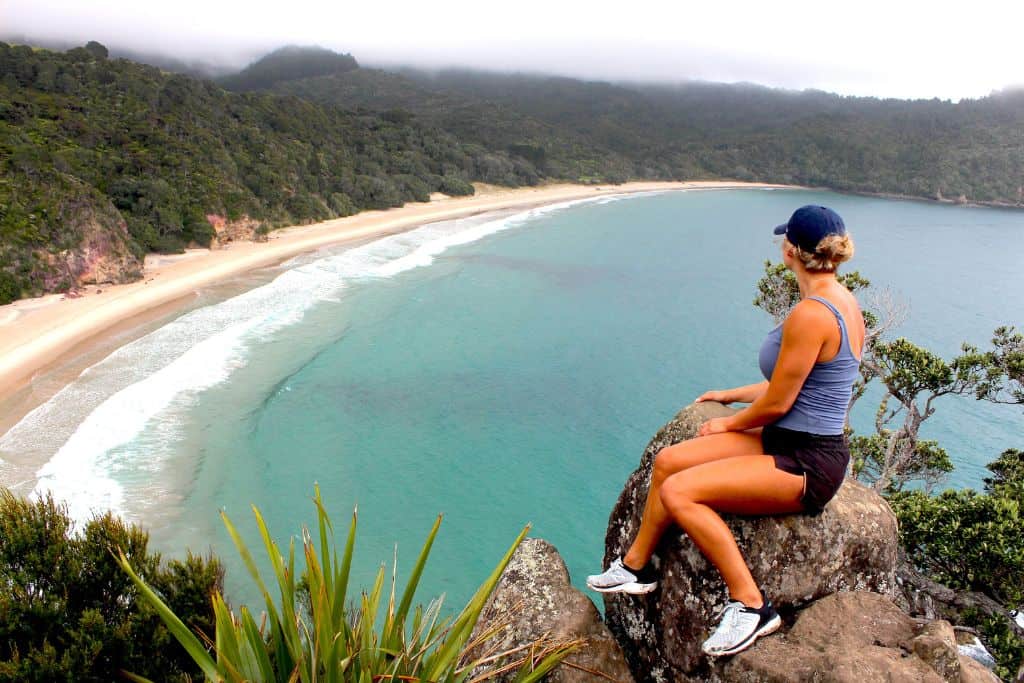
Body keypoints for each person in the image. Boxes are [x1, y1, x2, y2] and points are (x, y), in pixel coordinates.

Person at [586, 205, 864, 657]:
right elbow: (792, 382)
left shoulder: (813, 314)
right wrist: (731, 393)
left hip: (808, 461)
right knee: (667, 461)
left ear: (791, 250)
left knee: (680, 491)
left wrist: (727, 422)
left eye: (783, 241)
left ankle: (752, 606)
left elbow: (779, 401)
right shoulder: (841, 301)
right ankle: (636, 568)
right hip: (787, 440)